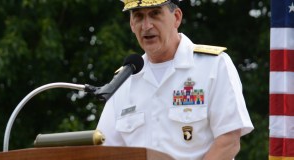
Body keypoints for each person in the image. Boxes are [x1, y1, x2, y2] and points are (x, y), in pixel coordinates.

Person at [97, 0, 254, 159]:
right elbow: (104, 149)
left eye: (155, 14)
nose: (146, 26)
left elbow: (228, 141)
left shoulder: (213, 65)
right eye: (138, 17)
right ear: (131, 24)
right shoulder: (123, 80)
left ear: (177, 17)